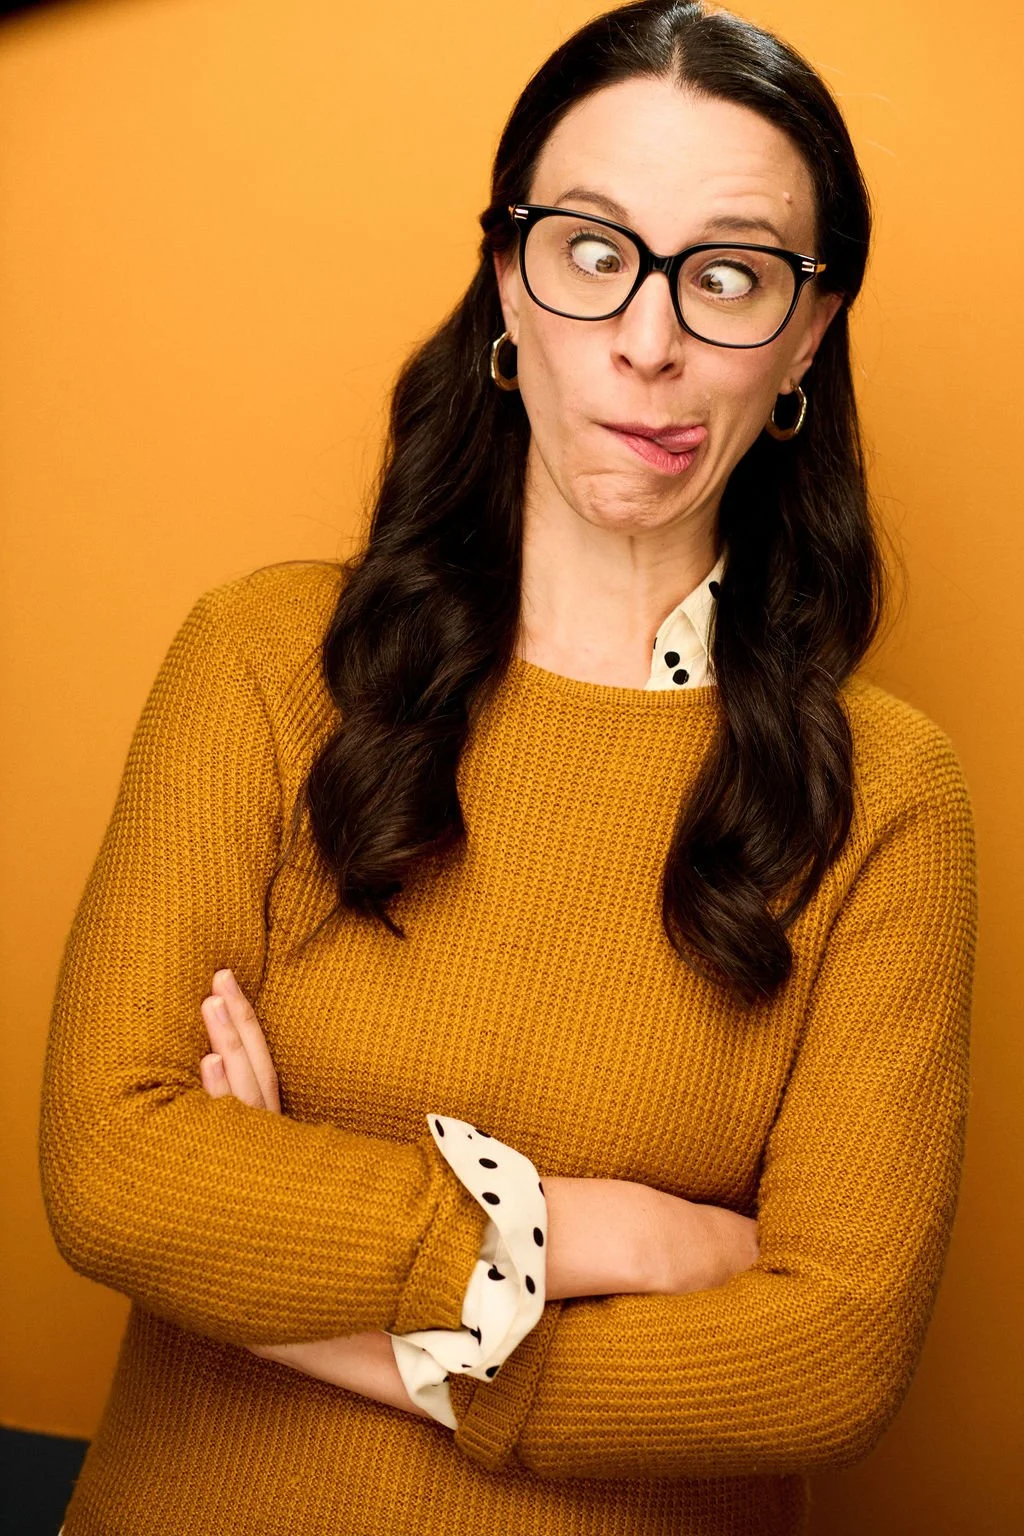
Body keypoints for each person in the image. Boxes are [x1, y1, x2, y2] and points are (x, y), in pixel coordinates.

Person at [41, 2, 977, 1533]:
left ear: (809, 333)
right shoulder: (265, 663)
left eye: (728, 274)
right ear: (506, 279)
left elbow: (827, 1363)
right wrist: (597, 1234)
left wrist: (303, 1271)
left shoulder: (889, 798)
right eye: (593, 251)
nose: (650, 340)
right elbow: (111, 1167)